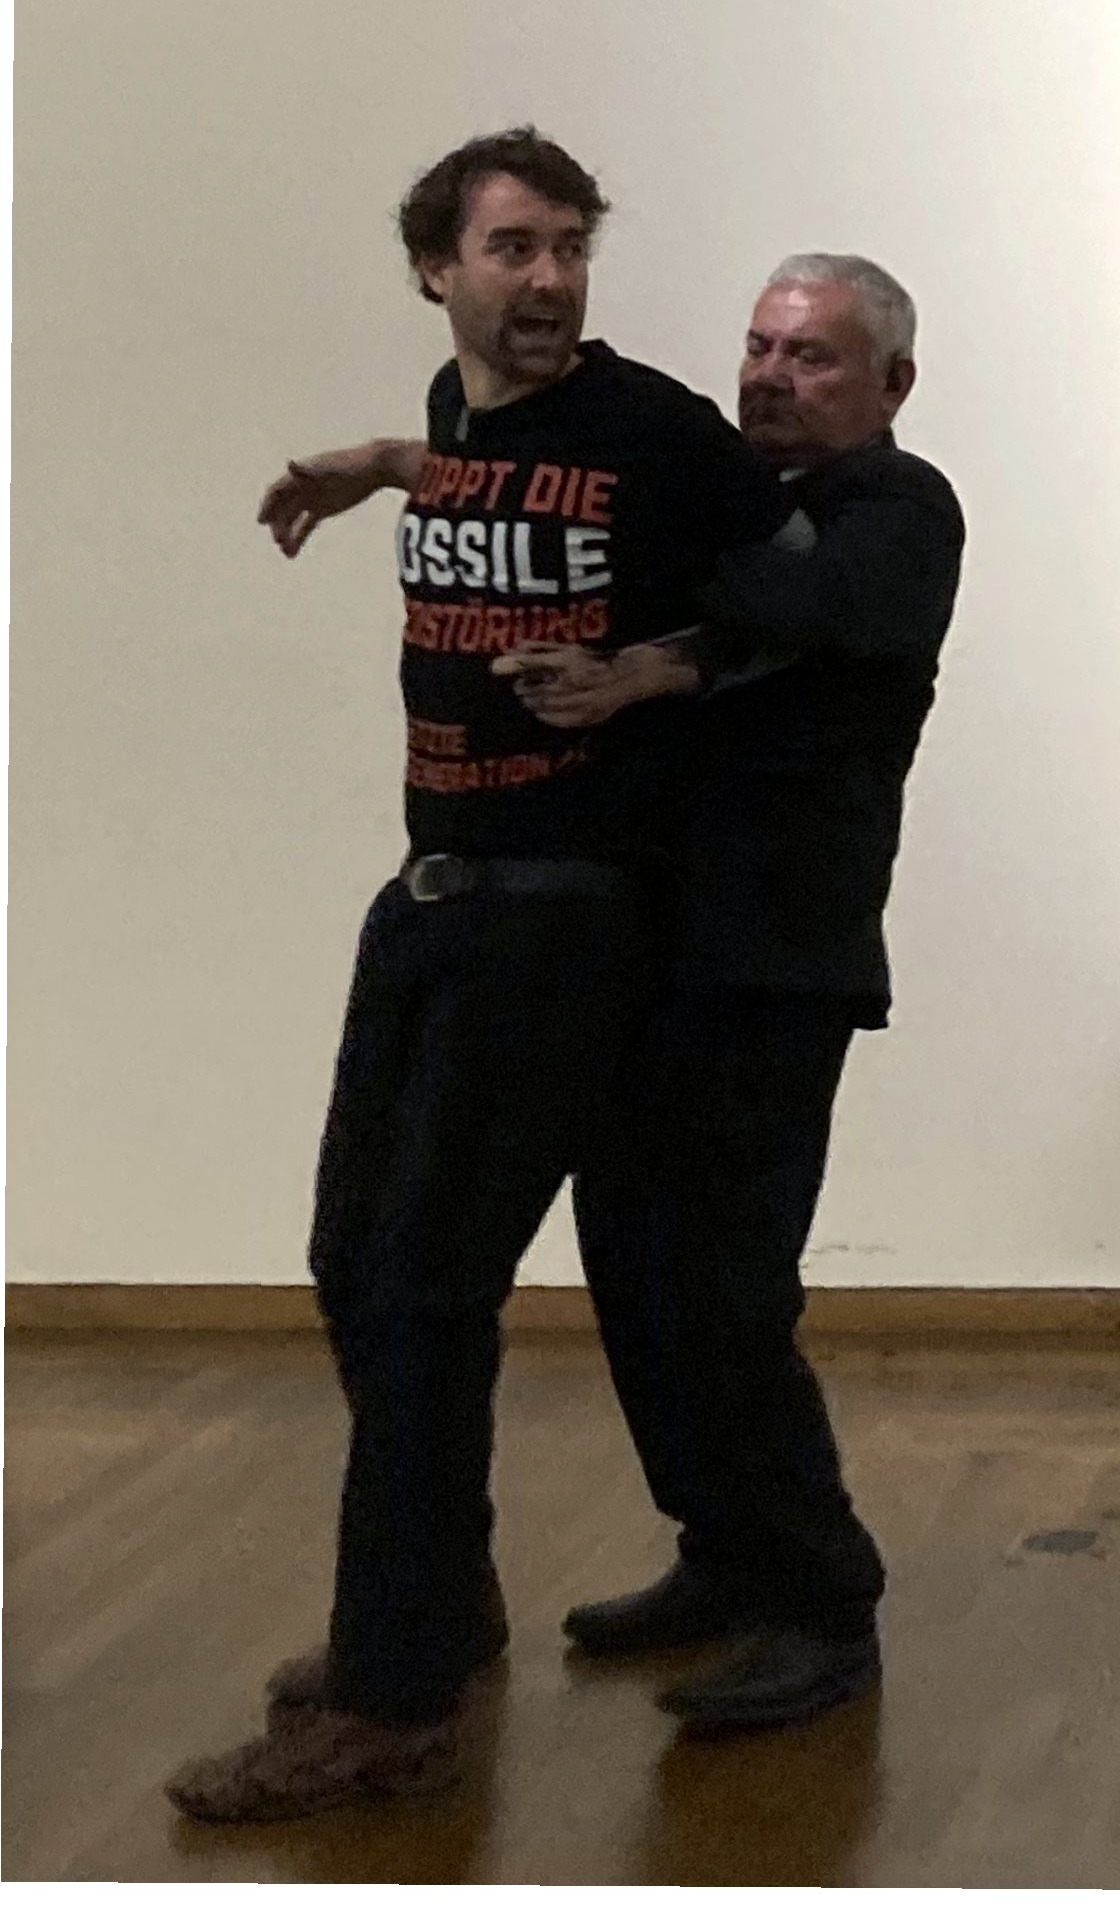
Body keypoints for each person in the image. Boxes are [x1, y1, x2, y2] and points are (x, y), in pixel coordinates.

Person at [169, 130, 796, 1820]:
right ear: (434, 271)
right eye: (514, 248)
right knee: (348, 1259)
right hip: (432, 894)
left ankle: (393, 1699)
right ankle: (434, 1601)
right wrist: (388, 462)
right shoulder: (459, 417)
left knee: (425, 1288)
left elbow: (806, 600)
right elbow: (487, 466)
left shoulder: (654, 428)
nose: (549, 279)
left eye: (569, 247)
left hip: (566, 918)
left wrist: (653, 667)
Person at [506, 254, 960, 1734]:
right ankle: (723, 1550)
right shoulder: (737, 514)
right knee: (635, 1269)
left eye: (810, 355)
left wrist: (662, 643)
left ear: (890, 384)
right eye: (760, 347)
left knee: (726, 1287)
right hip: (646, 948)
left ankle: (825, 1599)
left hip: (775, 961)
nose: (769, 374)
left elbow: (813, 606)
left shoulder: (900, 506)